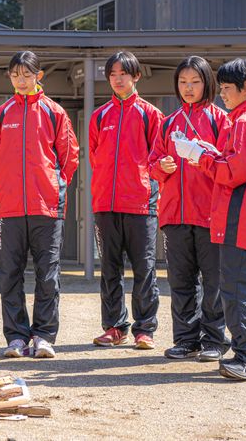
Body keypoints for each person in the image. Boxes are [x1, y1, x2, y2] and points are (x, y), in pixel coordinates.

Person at [174, 58, 246, 380]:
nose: (222, 94)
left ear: (245, 87)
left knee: (237, 291)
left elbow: (234, 172)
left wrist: (198, 156)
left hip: (241, 220)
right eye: (220, 88)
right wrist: (207, 151)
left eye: (226, 88)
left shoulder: (245, 122)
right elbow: (235, 163)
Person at [0, 51, 79, 359]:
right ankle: (15, 337)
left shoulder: (54, 112)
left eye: (27, 74)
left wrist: (53, 186)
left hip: (46, 207)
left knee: (47, 273)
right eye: (15, 75)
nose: (21, 80)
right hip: (9, 209)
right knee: (10, 274)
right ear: (9, 77)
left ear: (38, 76)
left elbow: (69, 157)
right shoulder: (1, 114)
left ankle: (43, 336)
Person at [149, 56, 231, 362]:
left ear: (207, 82)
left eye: (195, 81)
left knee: (214, 281)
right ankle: (185, 339)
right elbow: (151, 163)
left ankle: (214, 339)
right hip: (174, 214)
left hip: (210, 215)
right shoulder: (168, 123)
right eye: (183, 82)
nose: (188, 87)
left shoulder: (220, 120)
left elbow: (228, 165)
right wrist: (161, 165)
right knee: (181, 281)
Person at [90, 51, 163, 350]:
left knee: (144, 268)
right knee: (110, 268)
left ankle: (144, 329)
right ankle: (114, 327)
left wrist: (142, 184)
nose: (118, 79)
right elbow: (95, 157)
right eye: (113, 74)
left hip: (141, 203)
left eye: (124, 73)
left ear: (136, 76)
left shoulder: (151, 114)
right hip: (105, 204)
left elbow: (158, 158)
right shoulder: (100, 115)